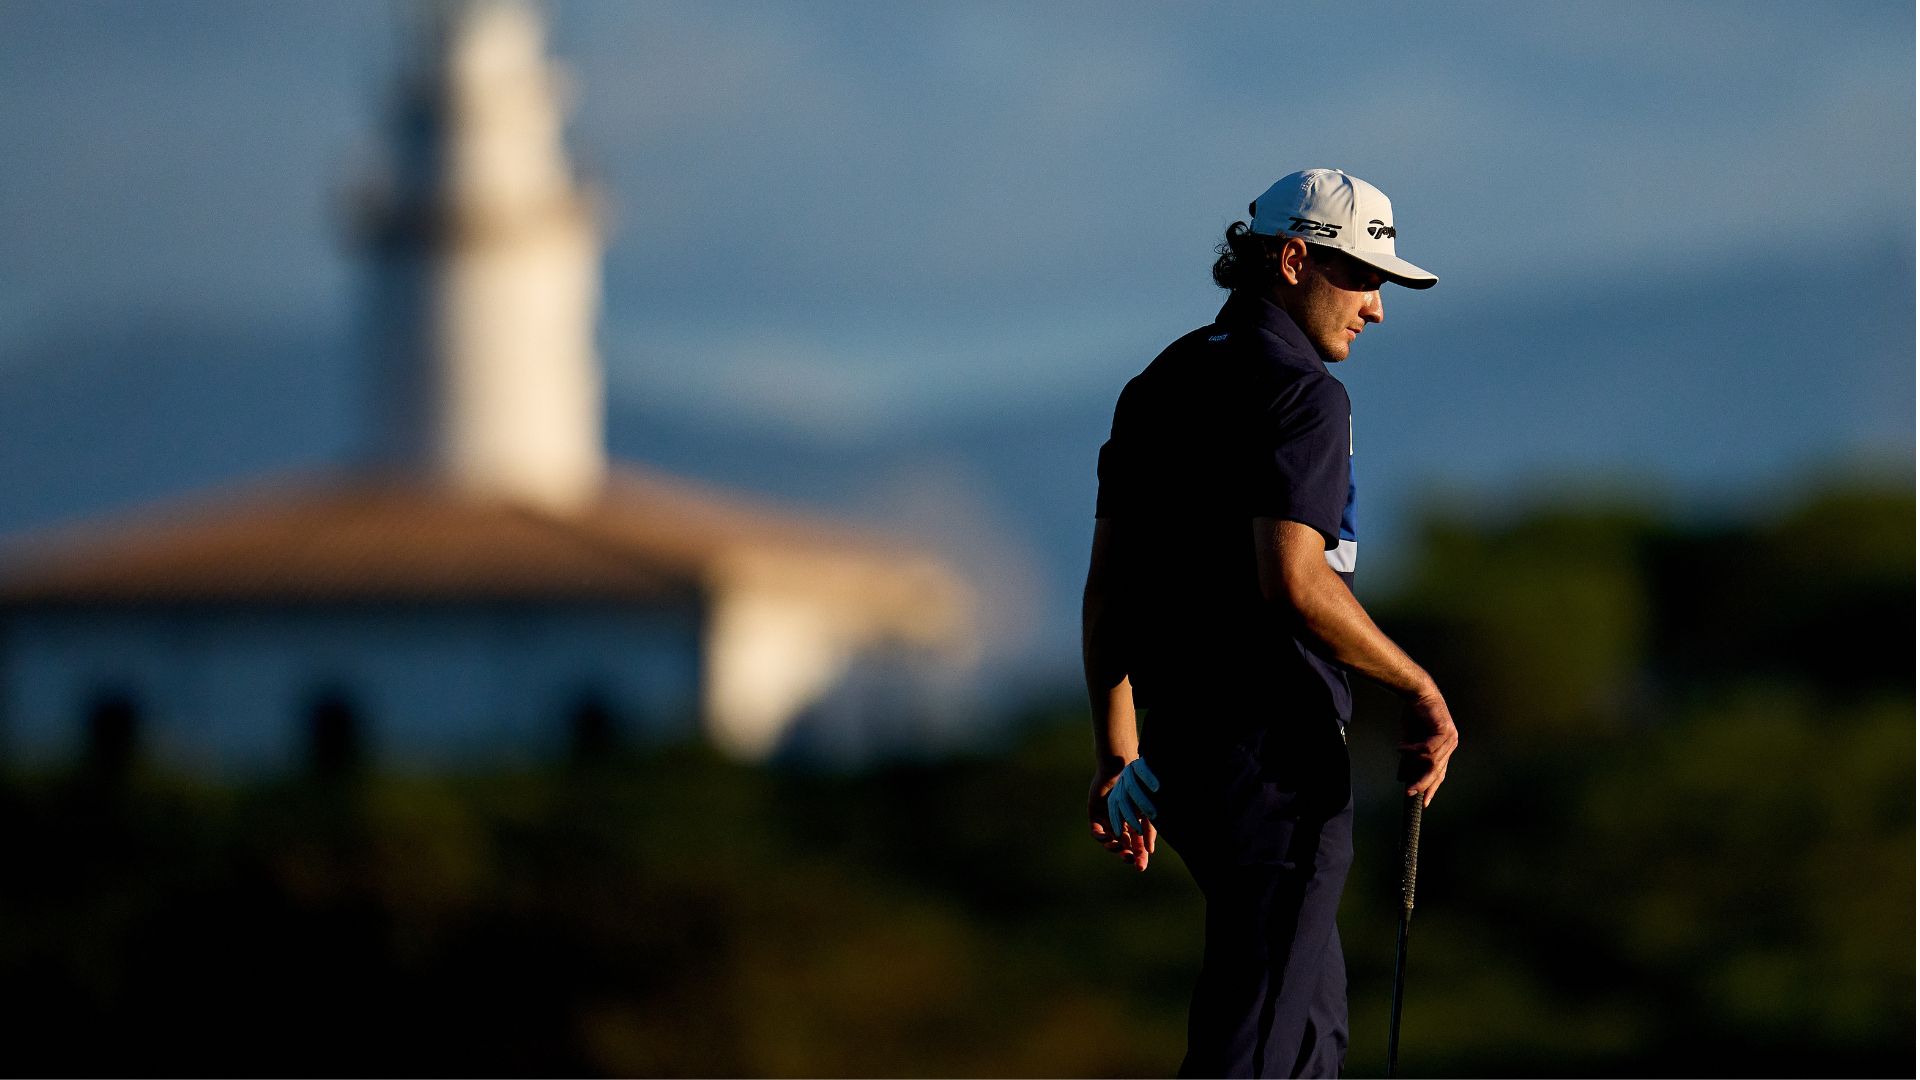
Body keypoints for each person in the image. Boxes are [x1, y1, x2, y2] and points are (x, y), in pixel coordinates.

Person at [1082, 168, 1461, 1079]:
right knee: (1256, 1038)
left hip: (1189, 763)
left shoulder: (1160, 382)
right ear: (1294, 259)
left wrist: (1116, 756)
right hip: (1276, 759)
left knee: (1308, 1031)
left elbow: (1110, 588)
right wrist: (1418, 686)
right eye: (1364, 279)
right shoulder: (1304, 395)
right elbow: (1294, 581)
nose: (1375, 309)